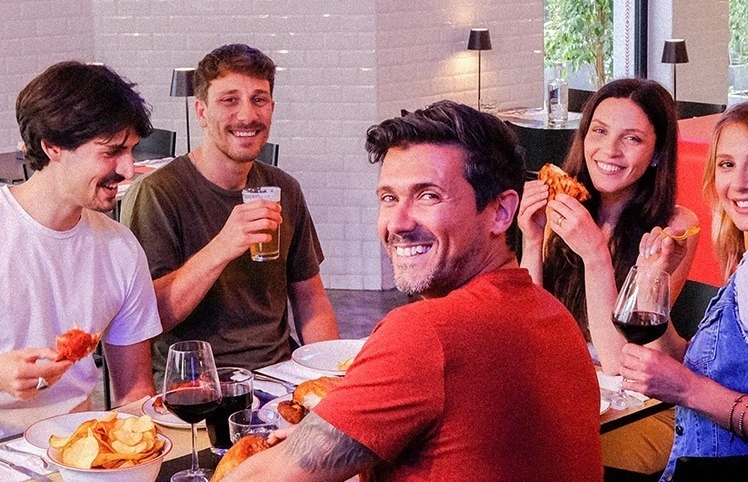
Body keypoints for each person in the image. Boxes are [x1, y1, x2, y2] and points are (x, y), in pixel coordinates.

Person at [222, 101, 603, 481]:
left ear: (501, 212)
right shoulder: (554, 315)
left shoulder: (425, 331)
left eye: (428, 196)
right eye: (389, 198)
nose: (398, 223)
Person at [619, 97, 748, 480]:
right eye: (727, 164)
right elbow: (725, 368)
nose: (739, 183)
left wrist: (689, 390)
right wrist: (654, 282)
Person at [120, 44, 338, 381]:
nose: (248, 116)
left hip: (280, 374)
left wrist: (328, 375)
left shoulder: (284, 187)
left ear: (272, 108)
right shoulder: (157, 194)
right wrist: (223, 246)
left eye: (259, 99)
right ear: (202, 111)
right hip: (197, 383)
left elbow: (311, 298)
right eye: (229, 100)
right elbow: (146, 319)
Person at [517, 78, 699, 475]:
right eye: (598, 132)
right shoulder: (563, 211)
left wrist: (595, 255)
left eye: (631, 138)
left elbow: (620, 361)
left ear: (655, 154)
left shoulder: (673, 230)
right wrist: (531, 242)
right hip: (563, 390)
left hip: (639, 409)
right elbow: (529, 328)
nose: (609, 151)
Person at [0, 61, 161, 437]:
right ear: (53, 146)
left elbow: (134, 391)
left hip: (77, 446)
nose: (128, 169)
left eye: (132, 151)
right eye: (111, 152)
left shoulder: (121, 248)